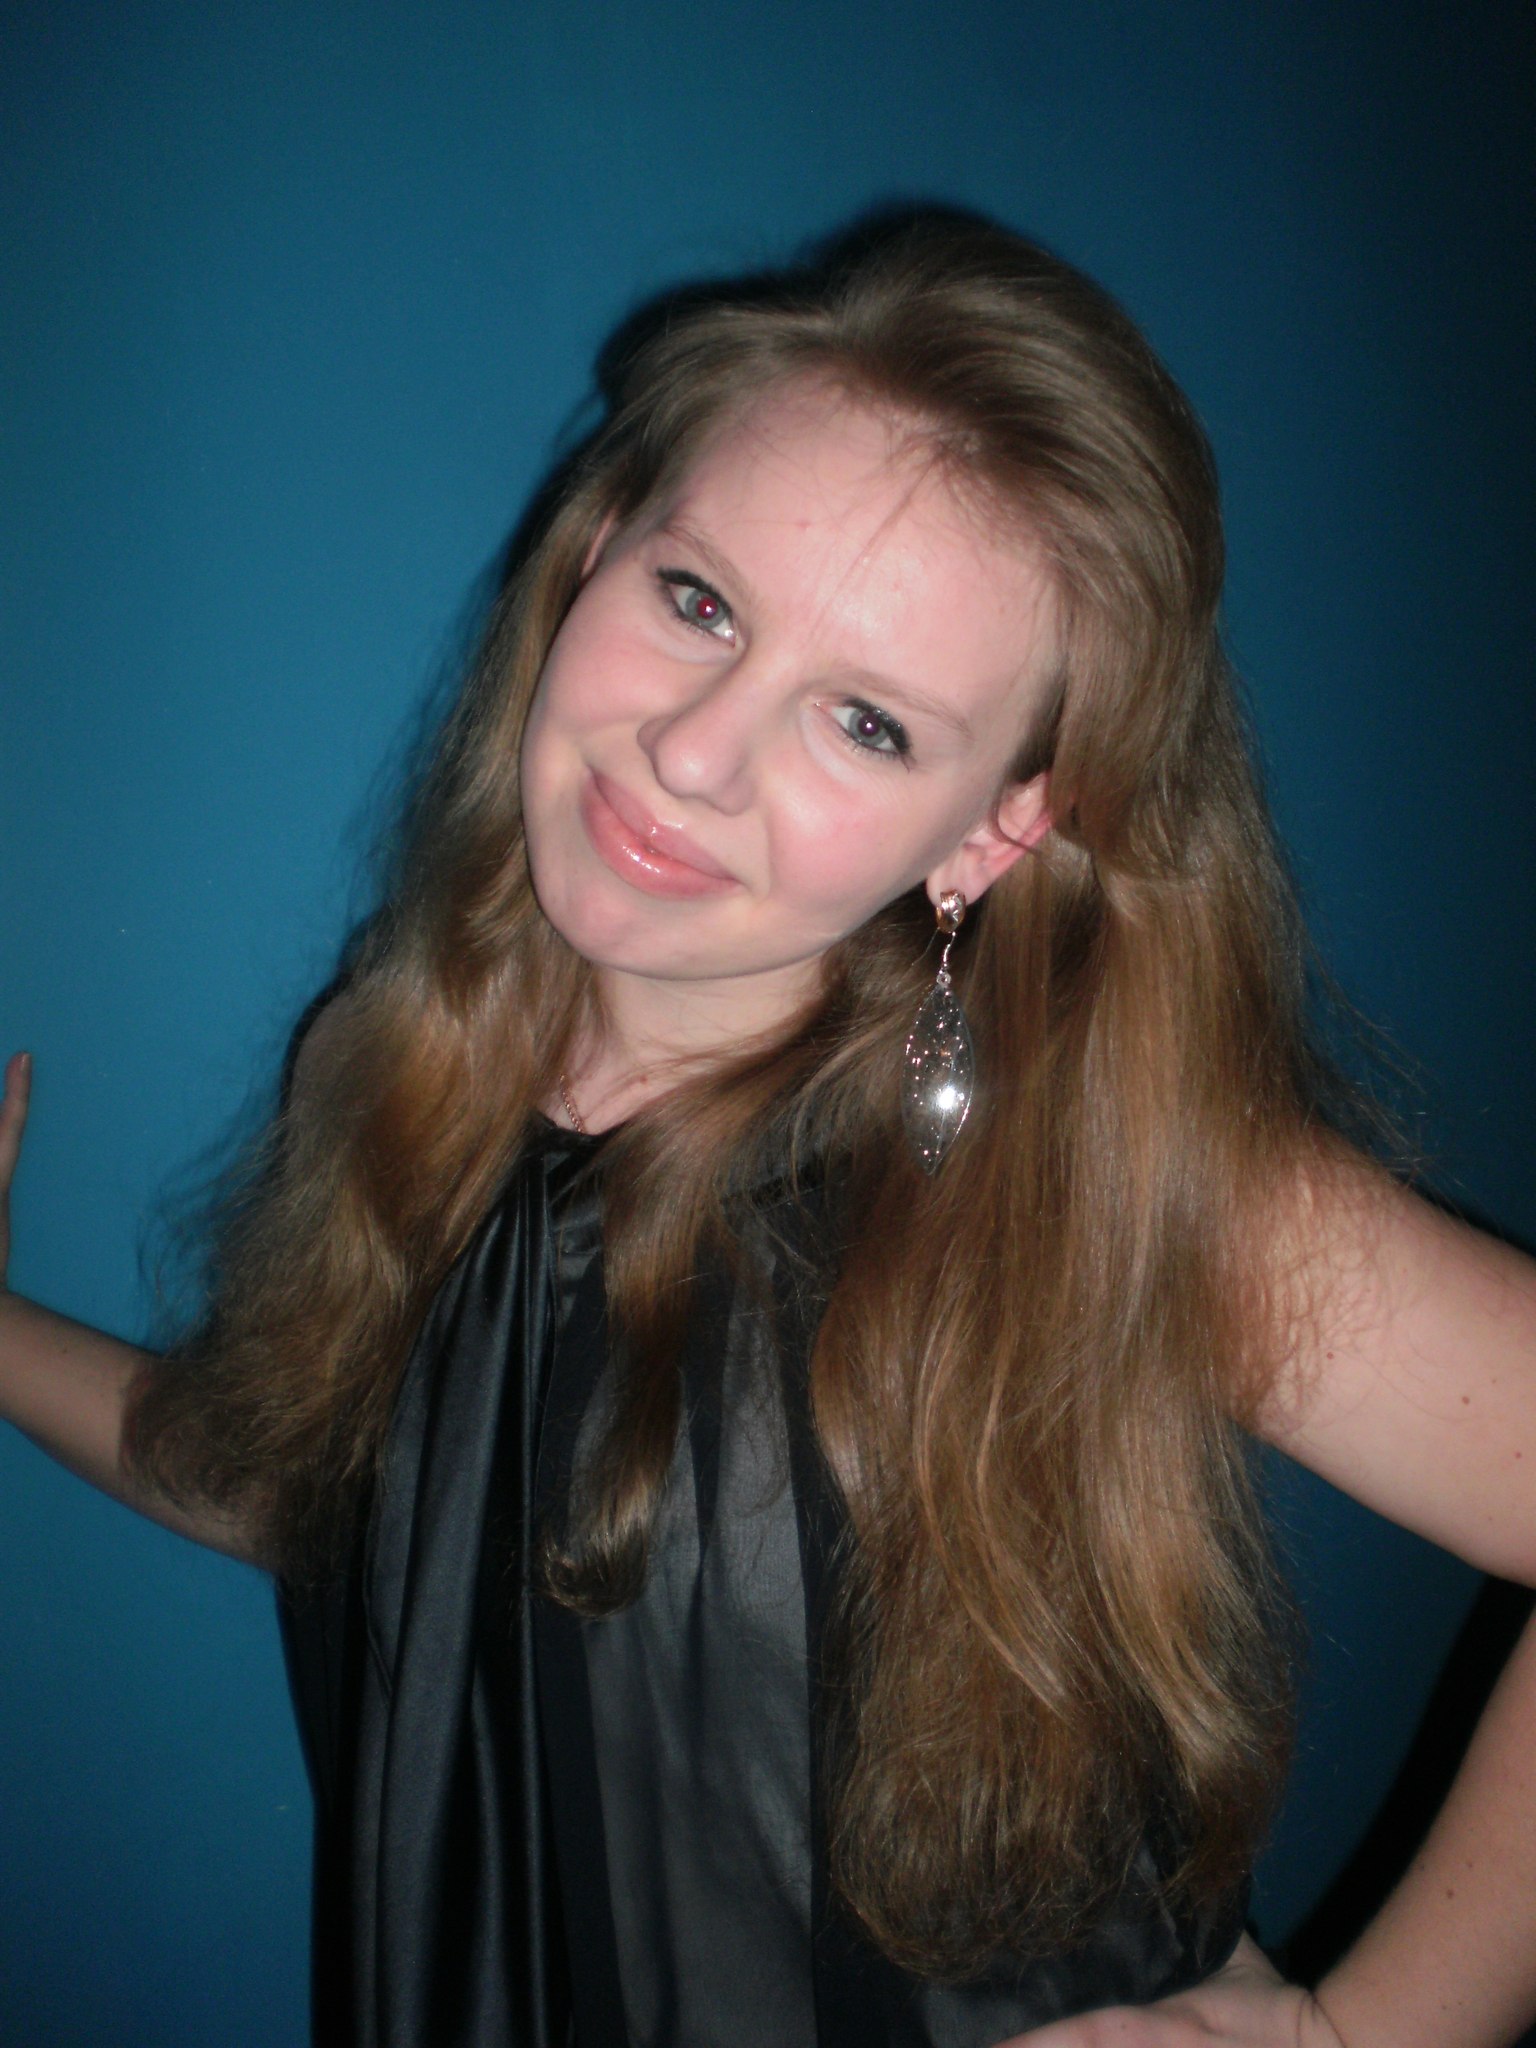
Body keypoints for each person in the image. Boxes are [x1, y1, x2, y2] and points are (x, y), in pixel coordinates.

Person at [2, 213, 1533, 2048]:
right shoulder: (385, 1075)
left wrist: (1367, 2033)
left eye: (868, 723)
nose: (696, 752)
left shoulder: (1086, 1183)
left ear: (994, 831)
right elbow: (338, 1499)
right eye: (700, 602)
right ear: (597, 551)